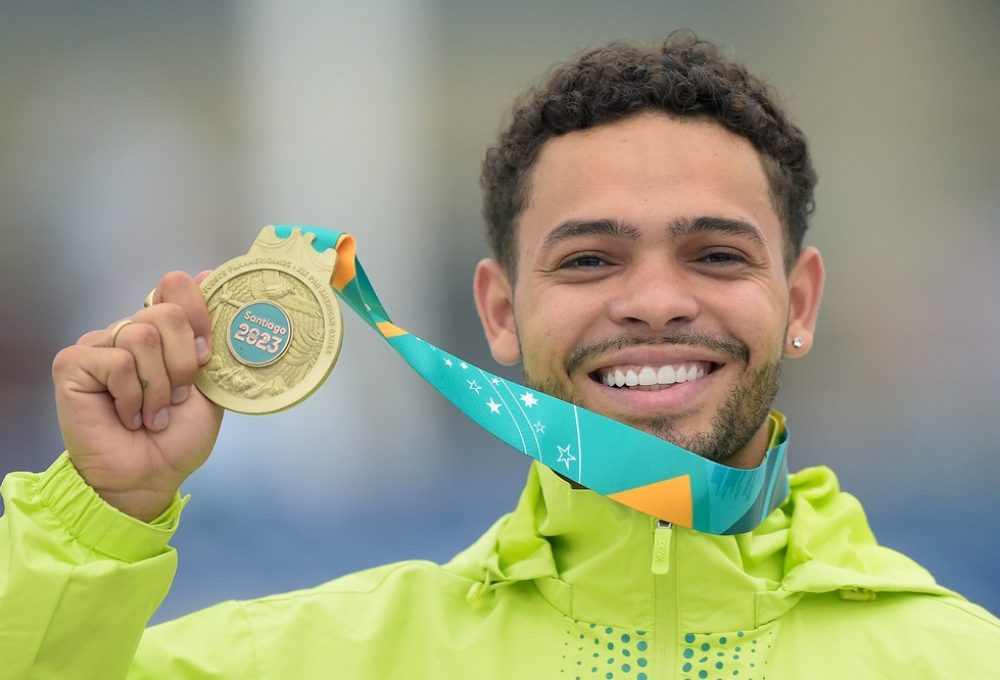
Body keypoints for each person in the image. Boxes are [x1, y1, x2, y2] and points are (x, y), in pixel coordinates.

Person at [2, 32, 998, 679]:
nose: (653, 300)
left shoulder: (957, 659)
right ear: (498, 311)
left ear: (800, 299)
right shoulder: (321, 659)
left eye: (714, 252)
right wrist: (101, 517)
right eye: (591, 257)